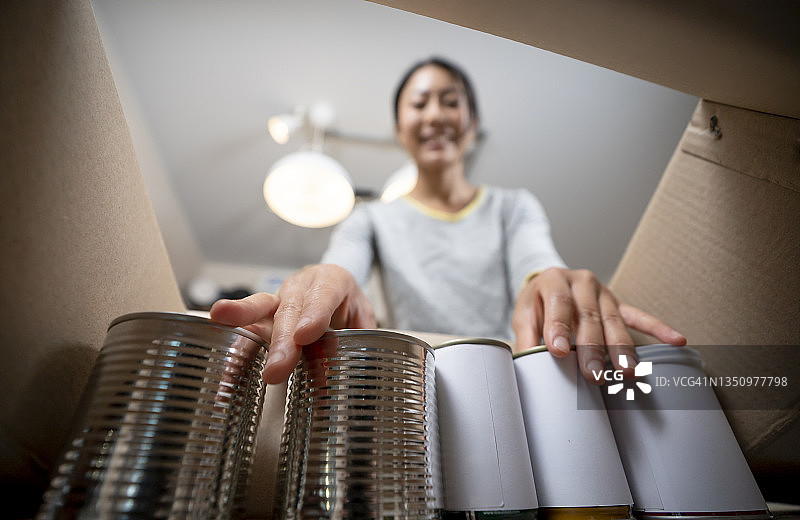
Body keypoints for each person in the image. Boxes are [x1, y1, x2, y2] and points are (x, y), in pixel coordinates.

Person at [211, 57, 685, 385]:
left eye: (450, 101)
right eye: (419, 104)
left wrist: (554, 284)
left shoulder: (513, 206)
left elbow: (537, 264)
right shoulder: (370, 218)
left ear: (472, 125)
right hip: (414, 387)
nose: (435, 114)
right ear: (400, 130)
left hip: (508, 380)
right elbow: (340, 270)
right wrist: (317, 289)